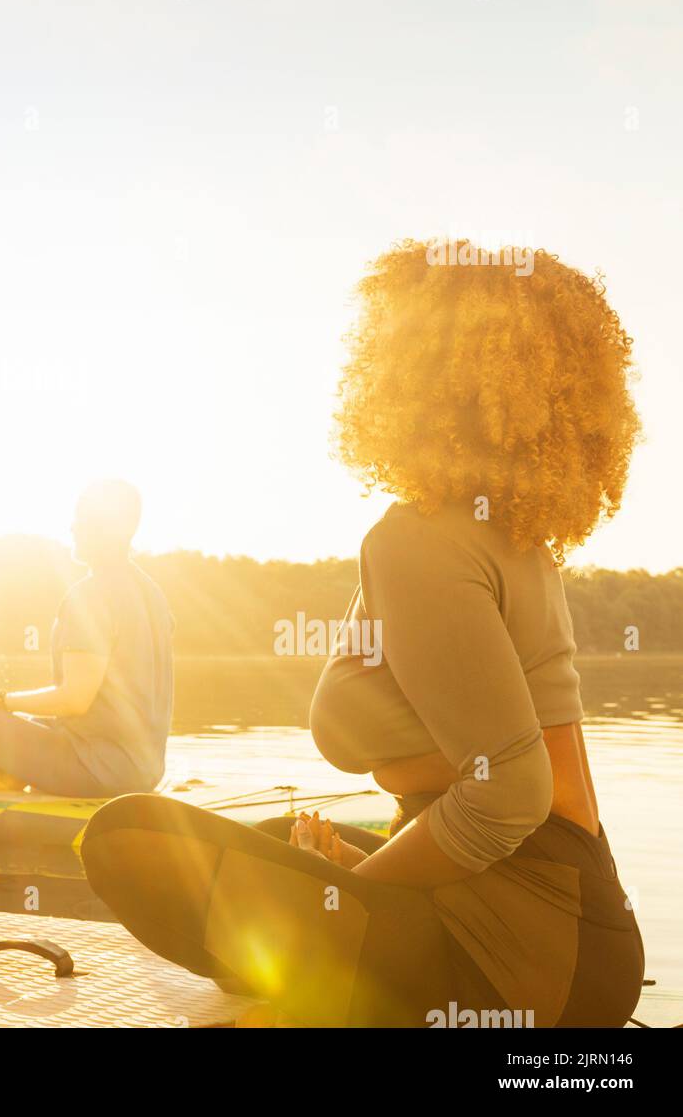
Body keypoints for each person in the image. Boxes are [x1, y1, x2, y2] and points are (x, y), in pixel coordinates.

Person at [82, 240, 645, 1027]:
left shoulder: (418, 542)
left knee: (127, 837)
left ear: (411, 369)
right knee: (280, 840)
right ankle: (336, 962)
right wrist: (363, 858)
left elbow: (514, 792)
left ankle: (341, 984)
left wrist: (367, 880)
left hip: (517, 960)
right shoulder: (514, 537)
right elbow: (501, 769)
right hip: (586, 937)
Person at [0, 479, 174, 798]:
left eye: (80, 518)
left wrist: (0, 700)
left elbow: (74, 699)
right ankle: (7, 771)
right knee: (25, 719)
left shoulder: (90, 596)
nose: (72, 527)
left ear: (103, 527)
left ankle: (4, 775)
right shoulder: (153, 594)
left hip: (98, 772)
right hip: (145, 770)